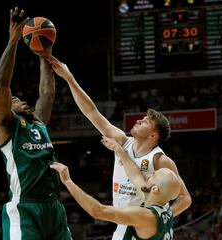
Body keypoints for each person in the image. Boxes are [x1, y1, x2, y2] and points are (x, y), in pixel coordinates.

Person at [46, 55, 192, 239]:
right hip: (123, 223)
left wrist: (156, 220)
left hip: (139, 225)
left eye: (146, 122)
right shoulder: (122, 142)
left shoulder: (160, 160)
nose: (139, 120)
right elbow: (92, 113)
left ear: (153, 135)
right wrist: (69, 79)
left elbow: (185, 199)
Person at [0, 7, 71, 240]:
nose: (21, 99)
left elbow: (47, 93)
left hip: (54, 207)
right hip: (25, 209)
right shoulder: (6, 126)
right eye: (14, 100)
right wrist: (13, 40)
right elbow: (2, 84)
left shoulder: (38, 123)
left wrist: (44, 53)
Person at [50, 135, 181, 240]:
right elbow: (136, 176)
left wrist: (67, 181)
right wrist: (119, 150)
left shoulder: (146, 216)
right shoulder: (163, 206)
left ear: (155, 189)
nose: (150, 174)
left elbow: (97, 211)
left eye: (154, 175)